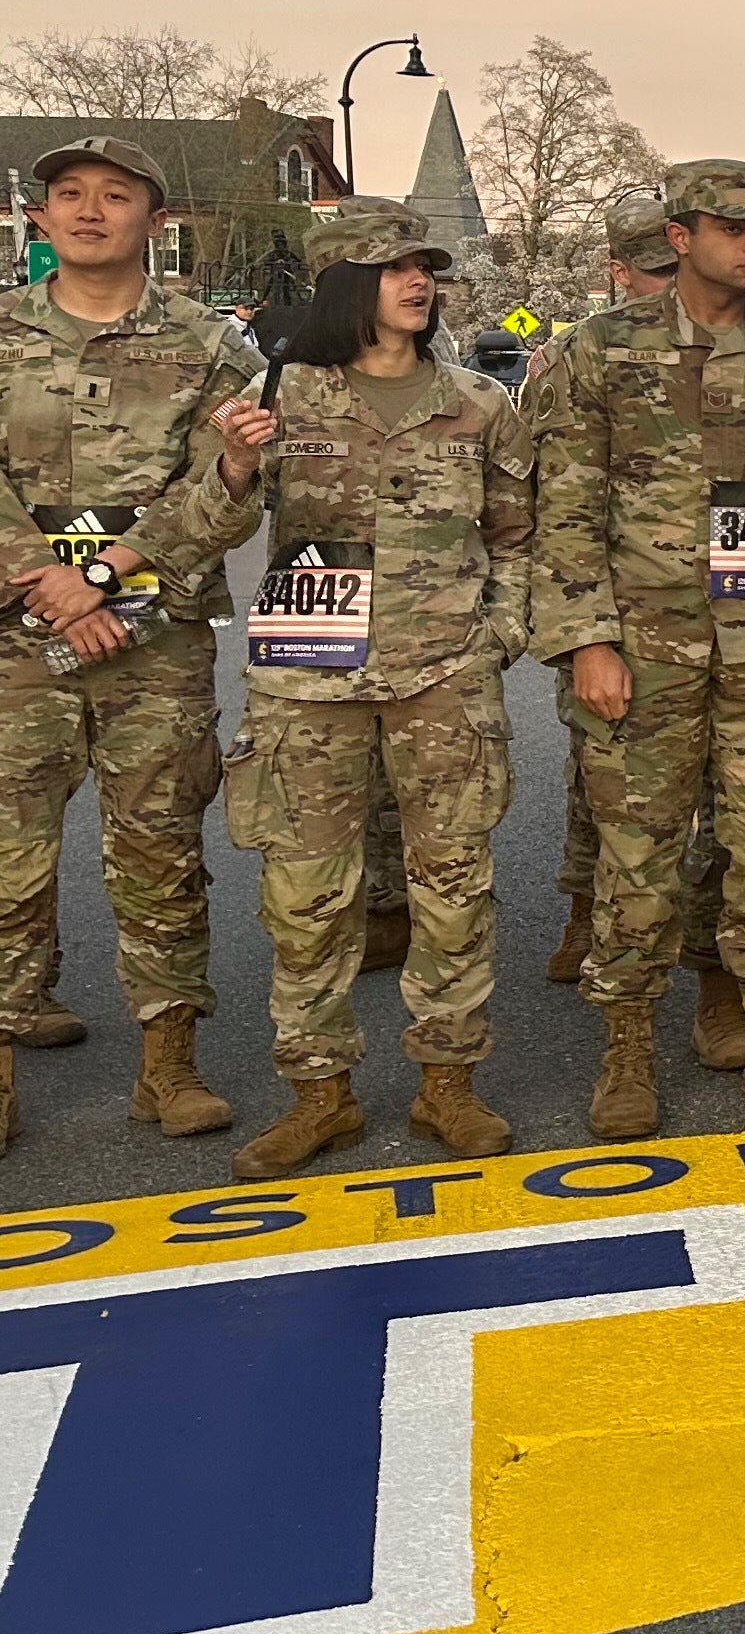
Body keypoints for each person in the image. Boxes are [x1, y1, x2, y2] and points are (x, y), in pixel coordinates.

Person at [532, 157, 745, 1135]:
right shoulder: (601, 352)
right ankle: (629, 1049)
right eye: (734, 227)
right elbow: (562, 507)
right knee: (638, 863)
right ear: (681, 237)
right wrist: (586, 641)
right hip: (644, 651)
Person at [209, 200, 529, 1174]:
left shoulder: (480, 402)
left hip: (444, 680)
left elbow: (519, 534)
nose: (418, 282)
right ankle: (320, 1096)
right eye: (395, 268)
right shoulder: (278, 394)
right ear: (347, 282)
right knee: (306, 896)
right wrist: (232, 462)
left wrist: (497, 634)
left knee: (453, 890)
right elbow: (207, 530)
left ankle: (447, 1087)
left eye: (424, 266)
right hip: (307, 682)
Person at [0, 135, 270, 1150]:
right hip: (17, 641)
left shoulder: (211, 348)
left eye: (115, 196)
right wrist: (51, 585)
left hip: (153, 639)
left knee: (159, 851)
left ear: (153, 221)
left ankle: (170, 1067)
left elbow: (225, 497)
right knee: (7, 859)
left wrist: (105, 581)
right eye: (67, 193)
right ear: (39, 218)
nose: (87, 210)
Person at [542, 194, 679, 988]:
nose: (667, 288)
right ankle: (585, 909)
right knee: (600, 775)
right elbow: (555, 495)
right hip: (610, 601)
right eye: (654, 274)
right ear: (619, 273)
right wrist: (579, 621)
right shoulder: (577, 356)